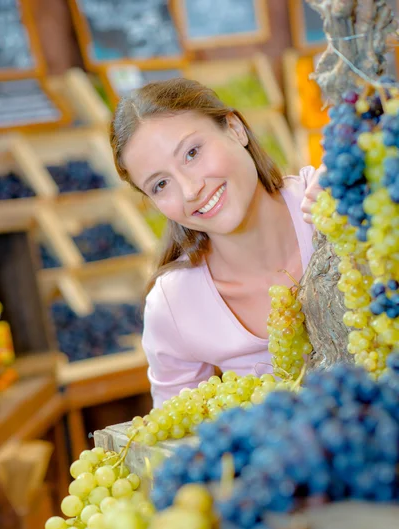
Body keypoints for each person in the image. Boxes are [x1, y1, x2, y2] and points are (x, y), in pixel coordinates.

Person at [110, 78, 323, 407]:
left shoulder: (328, 202)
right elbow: (175, 440)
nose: (190, 189)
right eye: (161, 184)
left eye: (192, 153)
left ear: (235, 128)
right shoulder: (174, 305)